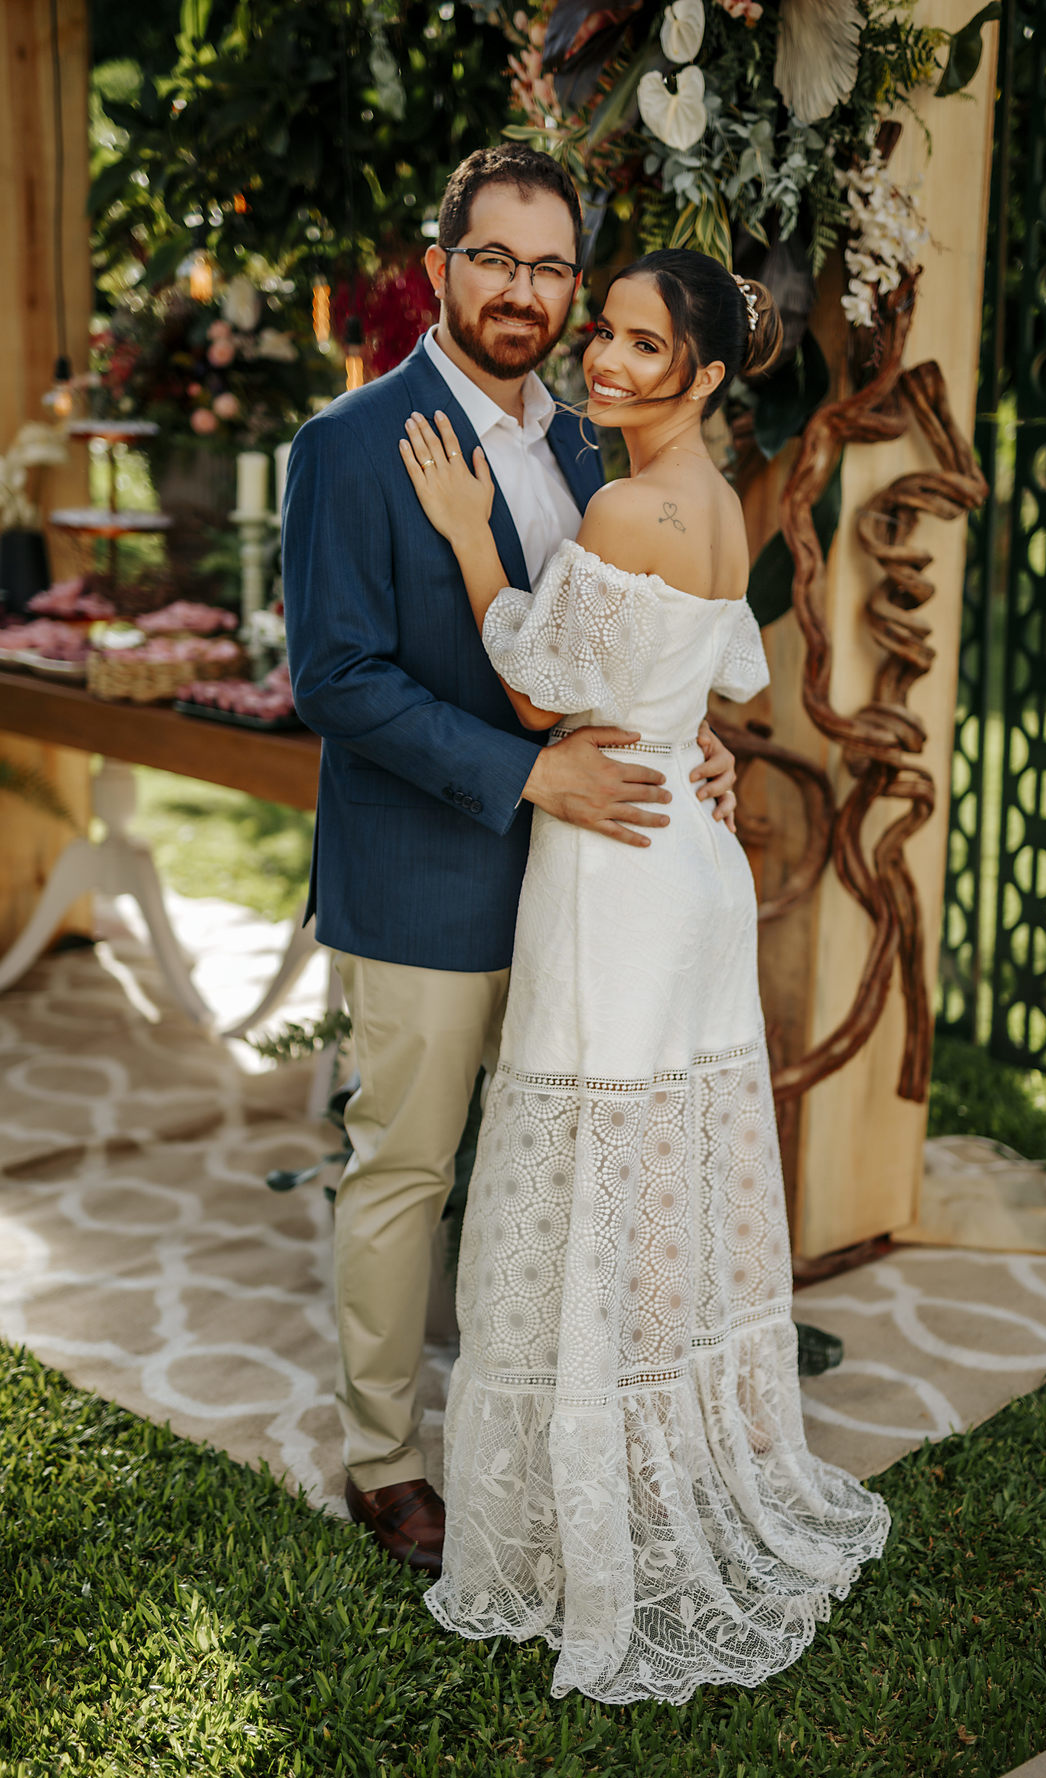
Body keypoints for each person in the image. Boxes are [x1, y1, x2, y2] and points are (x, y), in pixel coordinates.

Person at [399, 248, 890, 1706]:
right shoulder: (717, 498)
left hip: (616, 877)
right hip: (683, 861)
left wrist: (472, 533)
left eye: (632, 343)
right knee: (659, 1168)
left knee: (595, 1165)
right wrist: (690, 738)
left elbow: (542, 690)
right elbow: (718, 671)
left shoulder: (623, 501)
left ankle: (591, 1525)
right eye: (599, 333)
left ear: (707, 371)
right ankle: (653, 1476)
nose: (598, 360)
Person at [281, 146, 738, 1576]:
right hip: (427, 876)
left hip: (586, 889)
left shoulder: (597, 437)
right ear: (441, 262)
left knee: (547, 1182)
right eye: (495, 258)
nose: (524, 292)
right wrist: (531, 766)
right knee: (406, 1169)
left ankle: (532, 1431)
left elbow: (627, 631)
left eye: (552, 268)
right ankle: (383, 1459)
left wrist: (688, 738)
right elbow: (338, 679)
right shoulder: (354, 444)